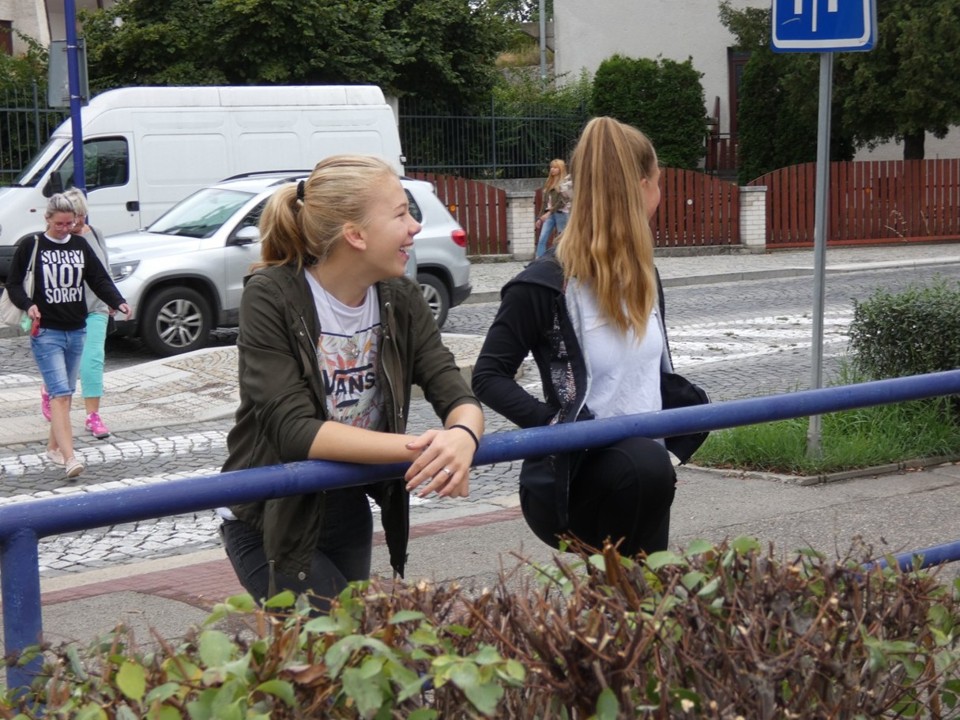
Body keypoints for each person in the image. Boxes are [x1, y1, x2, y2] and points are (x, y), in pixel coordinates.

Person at [219, 155, 484, 612]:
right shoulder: (271, 295)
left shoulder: (400, 297)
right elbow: (293, 430)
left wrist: (462, 435)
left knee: (343, 649)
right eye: (400, 214)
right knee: (346, 639)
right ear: (355, 235)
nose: (415, 226)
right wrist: (426, 450)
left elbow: (452, 387)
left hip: (345, 504)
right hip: (268, 512)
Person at [472, 116, 680, 558]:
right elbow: (488, 375)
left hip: (646, 478)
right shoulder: (546, 284)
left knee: (644, 593)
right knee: (645, 469)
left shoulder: (644, 275)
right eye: (660, 183)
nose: (661, 196)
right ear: (643, 187)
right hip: (577, 476)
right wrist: (560, 427)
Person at [5, 193, 130, 479]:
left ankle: (53, 447)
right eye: (59, 224)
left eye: (69, 223)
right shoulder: (32, 245)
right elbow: (13, 284)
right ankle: (70, 457)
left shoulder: (80, 245)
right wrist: (28, 305)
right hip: (46, 332)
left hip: (77, 330)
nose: (65, 229)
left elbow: (98, 278)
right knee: (60, 394)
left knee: (66, 394)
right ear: (47, 219)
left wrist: (118, 301)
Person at [38, 188, 113, 439]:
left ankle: (93, 416)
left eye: (81, 215)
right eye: (73, 216)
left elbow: (104, 271)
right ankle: (50, 390)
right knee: (63, 367)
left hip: (96, 309)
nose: (78, 221)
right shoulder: (53, 242)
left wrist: (114, 298)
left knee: (93, 360)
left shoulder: (95, 234)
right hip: (64, 314)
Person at [535, 158, 571, 258]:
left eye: (555, 167)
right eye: (551, 167)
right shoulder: (549, 183)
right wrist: (539, 218)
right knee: (542, 238)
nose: (552, 169)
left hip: (561, 214)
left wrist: (548, 213)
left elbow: (562, 202)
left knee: (561, 239)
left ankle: (562, 260)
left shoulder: (565, 183)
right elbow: (544, 203)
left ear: (561, 169)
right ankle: (539, 261)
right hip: (549, 215)